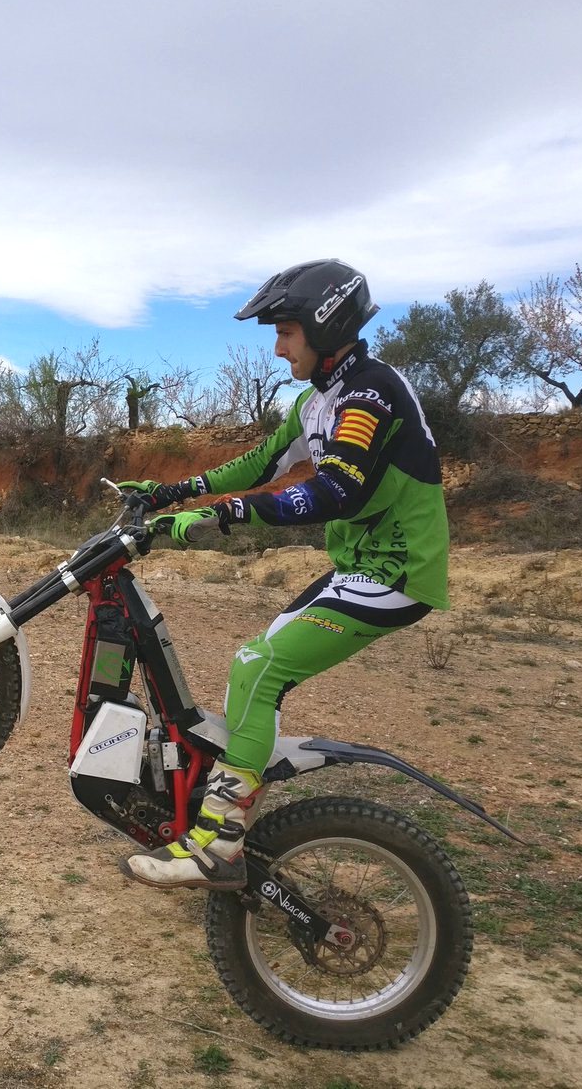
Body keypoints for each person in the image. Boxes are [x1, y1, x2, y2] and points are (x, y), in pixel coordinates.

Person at [117, 258, 450, 891]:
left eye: (286, 332)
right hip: (359, 566)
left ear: (326, 327)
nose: (276, 347)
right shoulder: (316, 401)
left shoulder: (369, 394)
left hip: (399, 573)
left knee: (258, 668)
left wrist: (225, 516)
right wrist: (173, 493)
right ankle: (231, 807)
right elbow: (262, 462)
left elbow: (337, 493)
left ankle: (219, 844)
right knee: (251, 666)